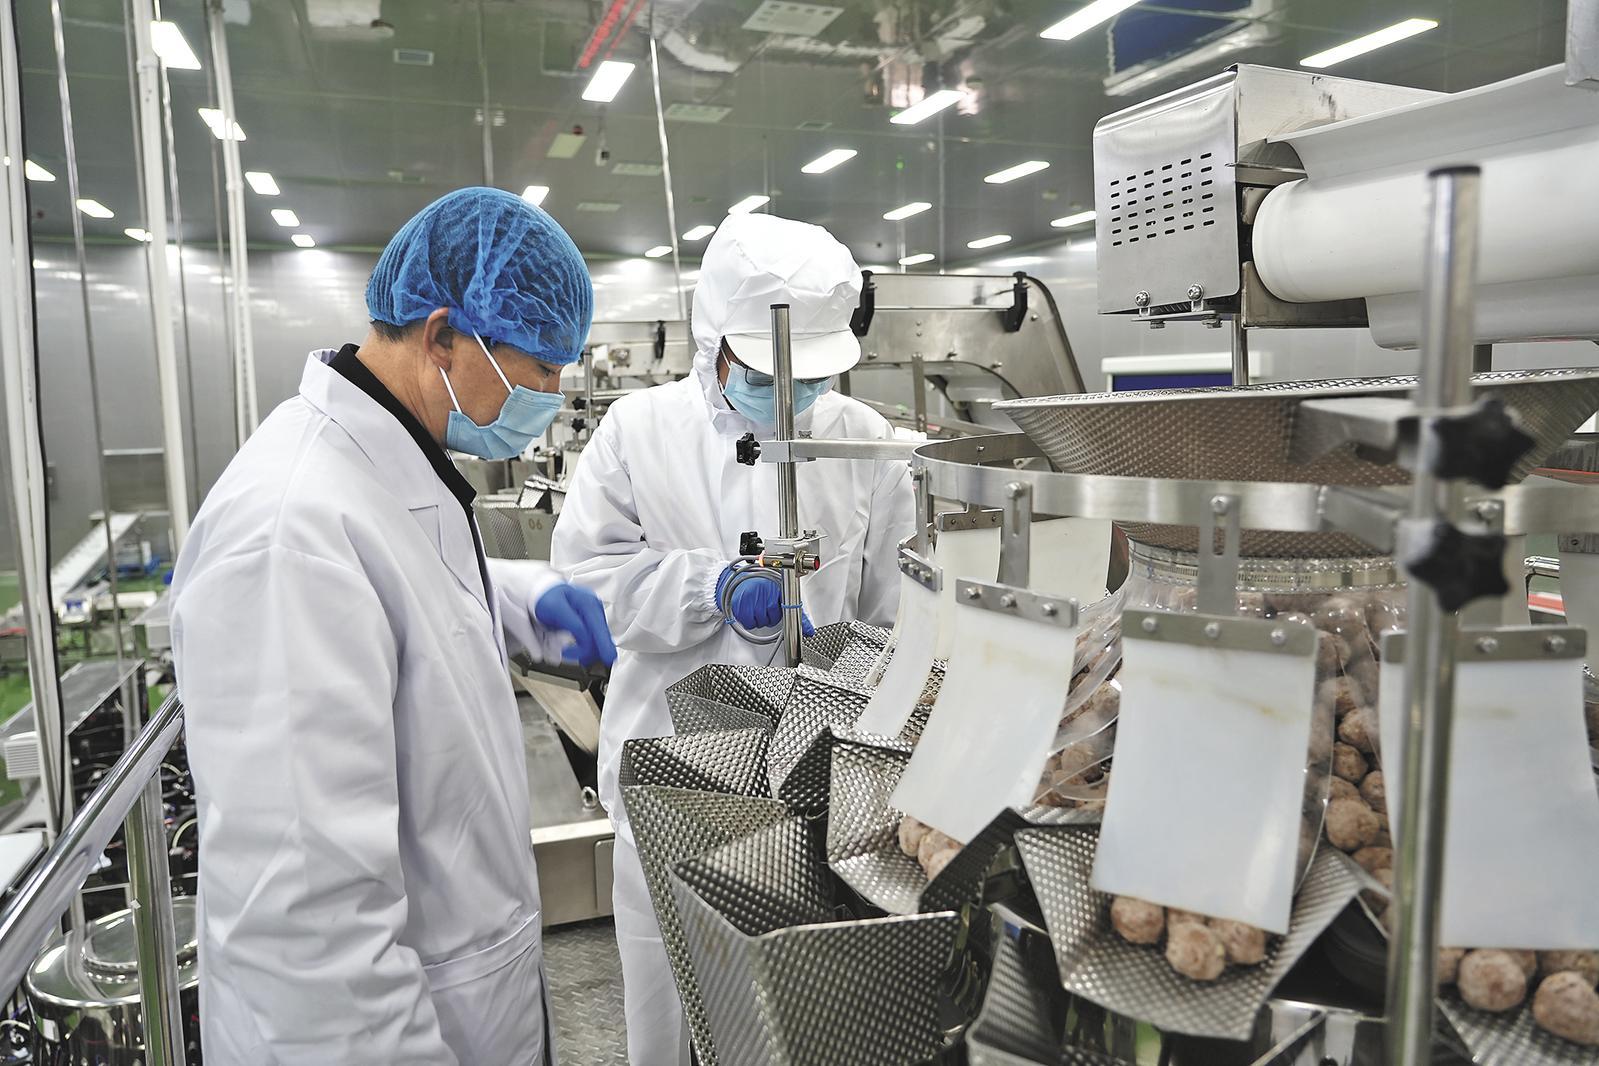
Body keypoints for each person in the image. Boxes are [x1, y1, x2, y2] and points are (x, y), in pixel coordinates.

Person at [170, 187, 615, 1065]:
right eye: (538, 364)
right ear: (442, 334)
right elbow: (309, 928)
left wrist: (520, 599)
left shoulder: (384, 464)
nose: (552, 393)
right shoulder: (289, 533)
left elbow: (407, 592)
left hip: (471, 989)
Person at [551, 212, 915, 1064]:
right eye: (763, 372)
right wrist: (708, 586)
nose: (791, 394)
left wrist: (847, 660)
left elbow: (895, 612)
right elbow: (585, 585)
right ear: (712, 341)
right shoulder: (640, 430)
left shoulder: (866, 443)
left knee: (793, 1012)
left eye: (811, 376)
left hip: (818, 774)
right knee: (667, 1004)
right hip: (669, 767)